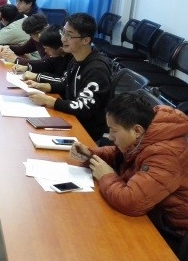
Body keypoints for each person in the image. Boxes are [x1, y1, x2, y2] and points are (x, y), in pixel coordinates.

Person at [70, 92, 188, 252]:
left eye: (113, 131)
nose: (110, 137)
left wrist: (106, 176)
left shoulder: (166, 155)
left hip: (172, 232)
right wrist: (92, 154)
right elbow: (121, 153)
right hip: (153, 212)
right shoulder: (148, 132)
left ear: (137, 130)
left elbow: (131, 202)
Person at [25, 13, 112, 141]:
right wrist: (40, 85)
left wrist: (50, 101)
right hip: (70, 118)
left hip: (86, 132)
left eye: (69, 35)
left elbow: (83, 108)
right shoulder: (75, 59)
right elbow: (65, 83)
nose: (63, 39)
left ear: (86, 40)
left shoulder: (97, 70)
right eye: (63, 33)